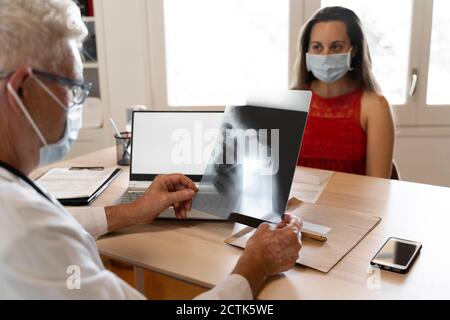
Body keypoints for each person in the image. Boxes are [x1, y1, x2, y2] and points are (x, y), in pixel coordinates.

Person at [0, 0, 302, 299]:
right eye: (74, 87)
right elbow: (46, 231)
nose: (75, 102)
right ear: (21, 88)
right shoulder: (30, 232)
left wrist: (133, 211)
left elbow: (58, 222)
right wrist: (254, 267)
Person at [293, 6, 395, 178]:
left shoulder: (375, 107)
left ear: (353, 50)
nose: (325, 55)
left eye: (336, 47)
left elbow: (378, 188)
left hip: (354, 205)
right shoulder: (291, 102)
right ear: (307, 52)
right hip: (301, 205)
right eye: (317, 47)